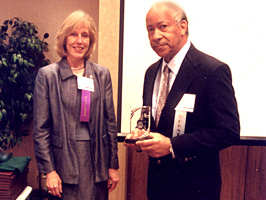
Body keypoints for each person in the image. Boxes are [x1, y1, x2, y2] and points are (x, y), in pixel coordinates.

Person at [126, 1, 240, 200]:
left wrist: (172, 145)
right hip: (158, 186)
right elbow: (154, 121)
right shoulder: (151, 73)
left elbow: (228, 132)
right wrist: (141, 134)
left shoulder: (212, 70)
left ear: (183, 26)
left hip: (196, 187)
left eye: (162, 27)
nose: (155, 36)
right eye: (150, 30)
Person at [33, 10, 119, 200]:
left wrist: (113, 165)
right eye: (74, 34)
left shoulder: (101, 74)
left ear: (90, 41)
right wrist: (49, 171)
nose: (79, 41)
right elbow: (41, 129)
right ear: (64, 38)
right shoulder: (48, 76)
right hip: (63, 164)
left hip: (96, 162)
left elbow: (110, 123)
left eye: (85, 35)